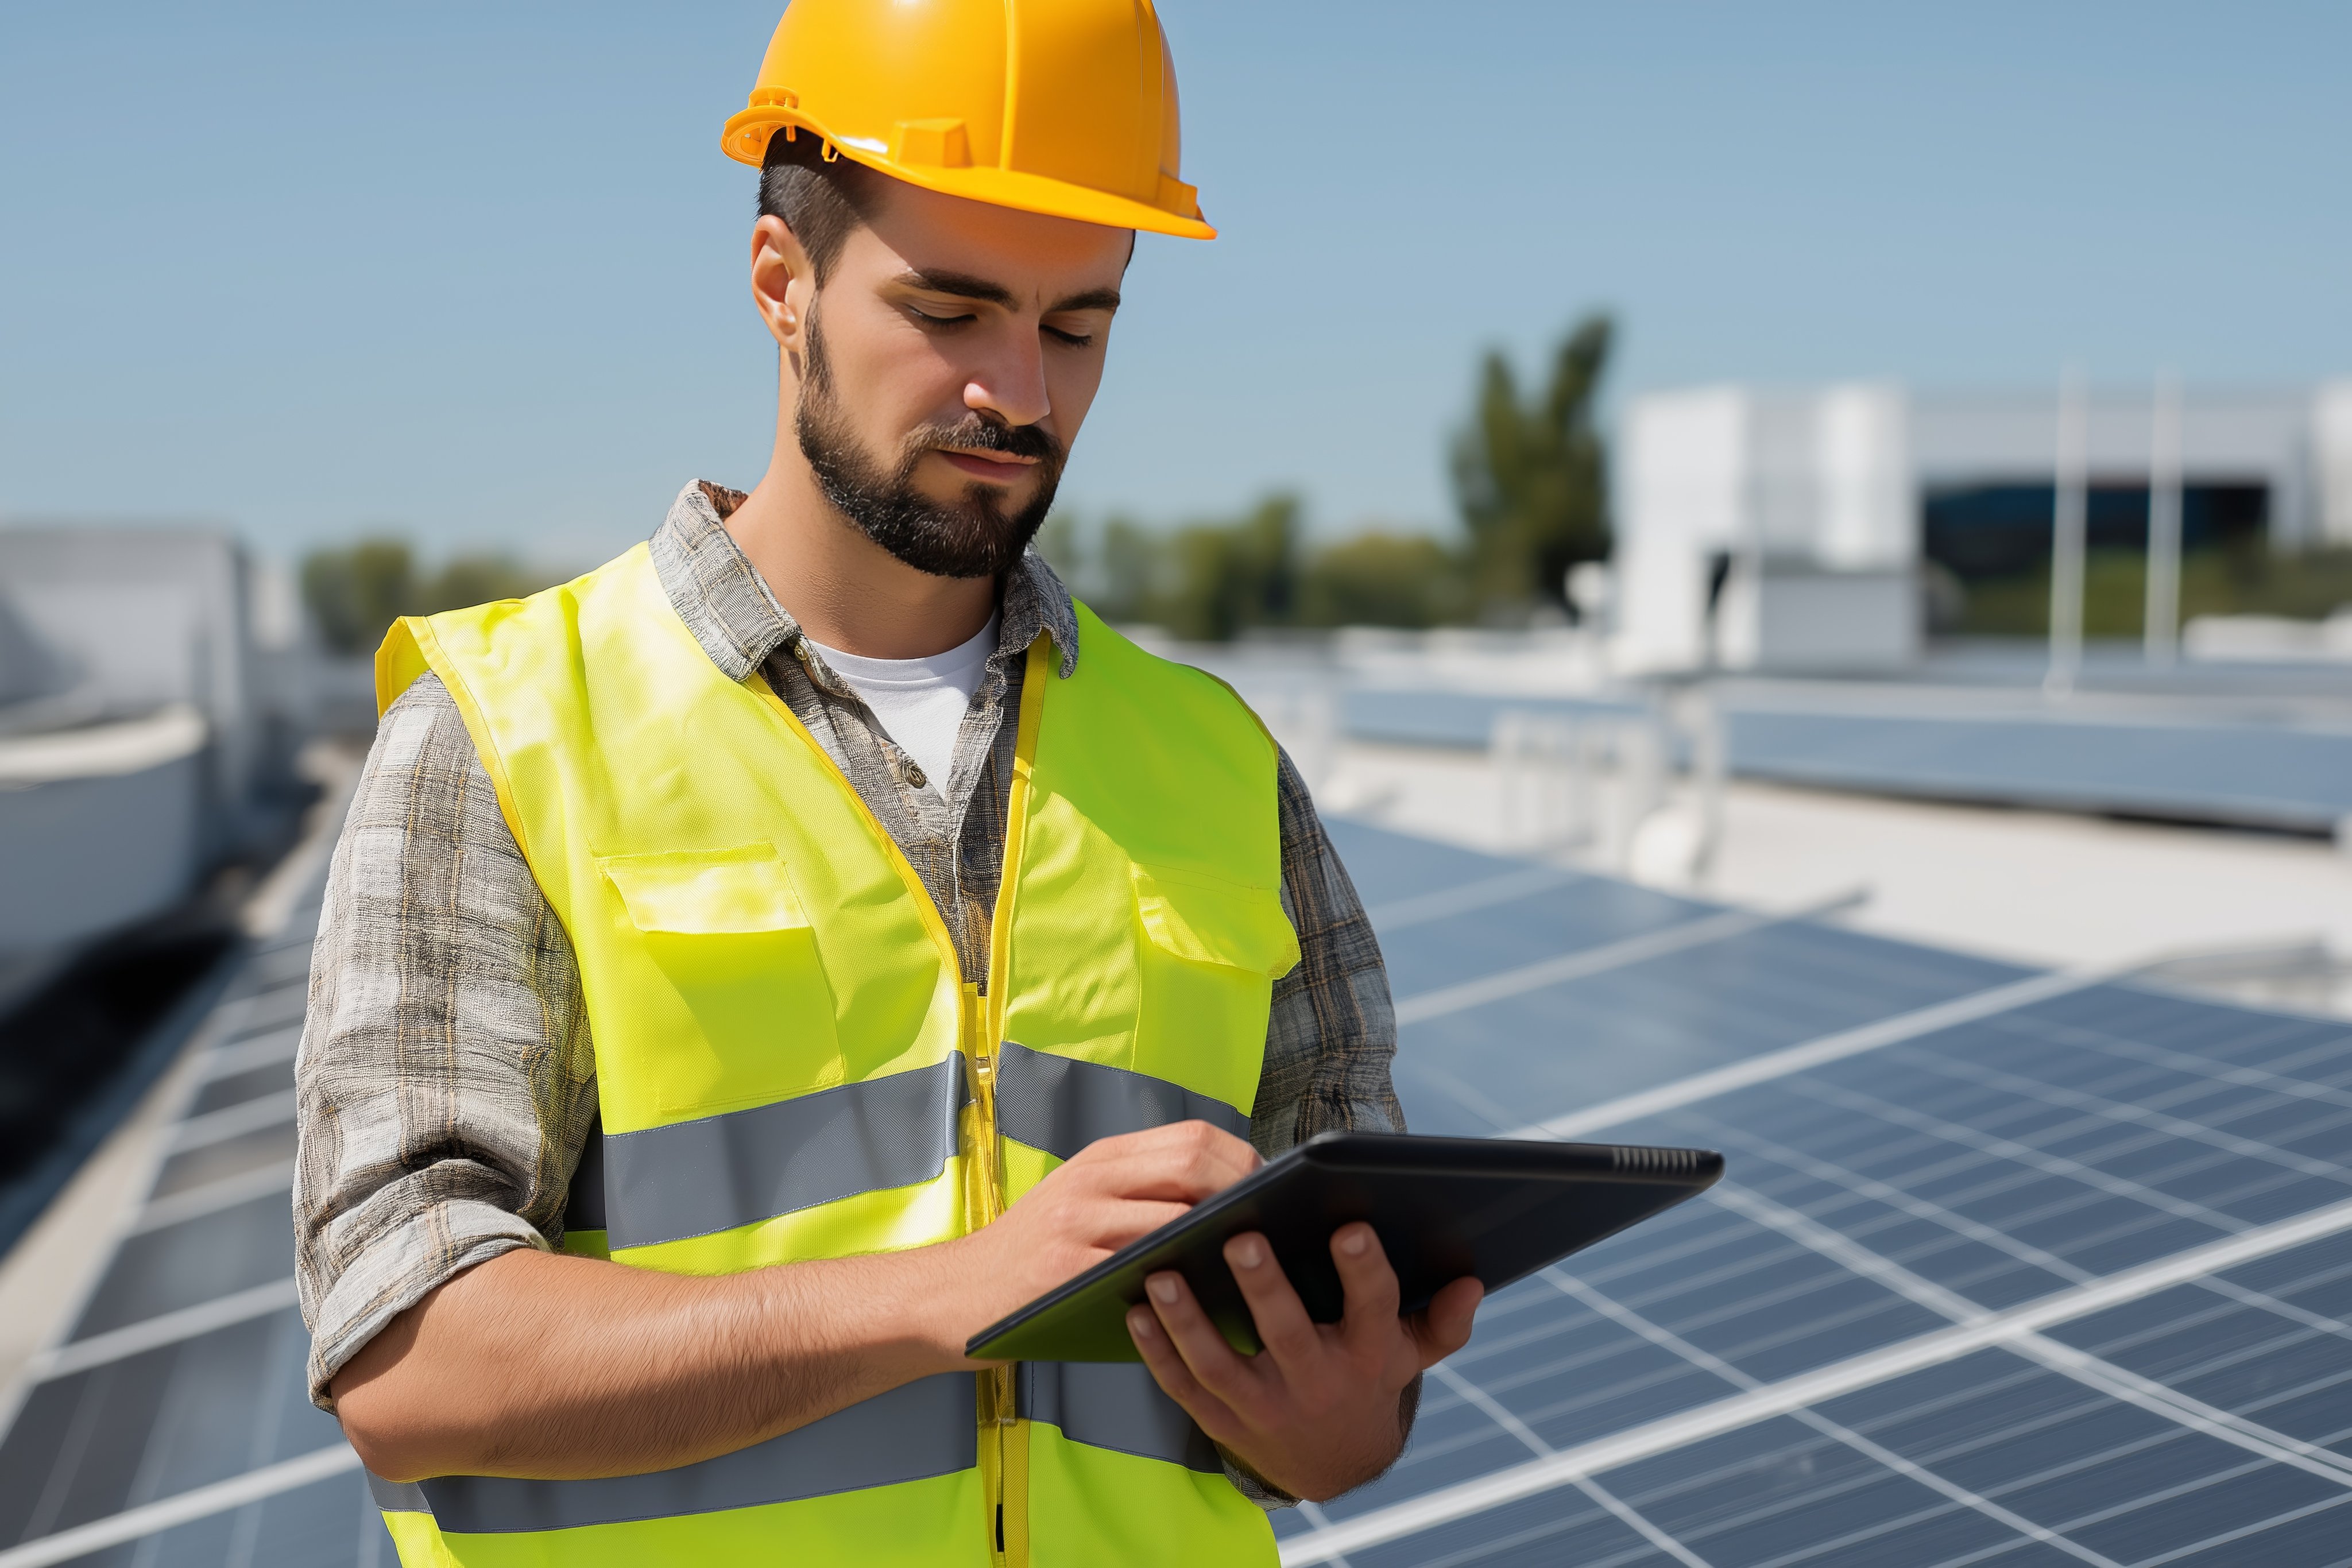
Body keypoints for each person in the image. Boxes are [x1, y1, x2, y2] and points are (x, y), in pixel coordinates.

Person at [295, 2, 1482, 1562]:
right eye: (952, 310)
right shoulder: (505, 734)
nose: (1023, 395)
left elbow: (1334, 1380)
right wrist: (948, 1295)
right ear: (781, 284)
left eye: (1077, 326)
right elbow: (409, 1346)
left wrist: (1345, 1423)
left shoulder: (1218, 766)